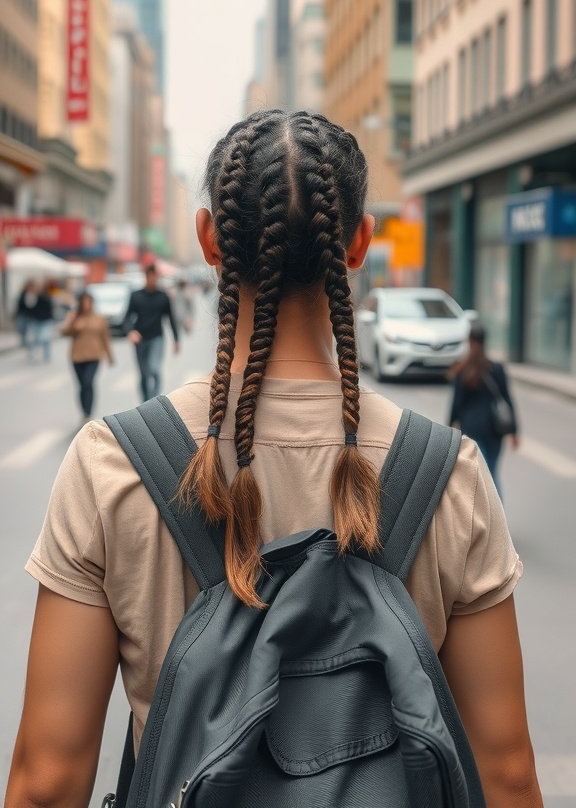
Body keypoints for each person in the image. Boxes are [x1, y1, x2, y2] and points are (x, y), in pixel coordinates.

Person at [6, 111, 542, 808]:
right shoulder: (447, 473)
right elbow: (505, 776)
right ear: (358, 243)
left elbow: (48, 782)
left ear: (209, 240)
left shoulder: (113, 463)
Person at [449, 323, 519, 499]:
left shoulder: (462, 370)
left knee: (482, 477)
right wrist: (515, 432)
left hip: (473, 430)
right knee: (493, 472)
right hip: (496, 430)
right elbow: (507, 399)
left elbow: (456, 405)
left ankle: (487, 520)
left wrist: (449, 431)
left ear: (469, 341)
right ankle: (498, 518)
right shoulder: (496, 368)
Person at [123, 263, 179, 400]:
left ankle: (153, 400)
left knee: (154, 369)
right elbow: (126, 318)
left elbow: (171, 318)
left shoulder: (163, 296)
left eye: (156, 277)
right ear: (146, 277)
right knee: (143, 374)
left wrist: (176, 340)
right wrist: (130, 332)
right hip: (140, 339)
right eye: (150, 276)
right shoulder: (136, 296)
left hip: (157, 338)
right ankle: (145, 402)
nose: (153, 279)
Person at [61, 291, 114, 422]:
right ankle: (84, 412)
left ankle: (89, 412)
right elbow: (64, 331)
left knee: (88, 382)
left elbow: (105, 338)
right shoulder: (74, 316)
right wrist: (75, 327)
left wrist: (109, 356)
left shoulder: (99, 318)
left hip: (94, 356)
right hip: (77, 357)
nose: (86, 304)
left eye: (89, 302)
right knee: (82, 386)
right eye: (84, 302)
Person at [26, 281, 54, 363]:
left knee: (45, 338)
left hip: (45, 320)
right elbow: (29, 307)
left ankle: (46, 355)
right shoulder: (32, 297)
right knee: (34, 338)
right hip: (36, 320)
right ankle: (33, 354)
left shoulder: (46, 296)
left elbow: (50, 308)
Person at [14, 280, 37, 349]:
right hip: (23, 314)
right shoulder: (23, 294)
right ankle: (23, 342)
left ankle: (30, 343)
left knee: (31, 330)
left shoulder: (35, 294)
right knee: (22, 329)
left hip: (31, 315)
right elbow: (19, 304)